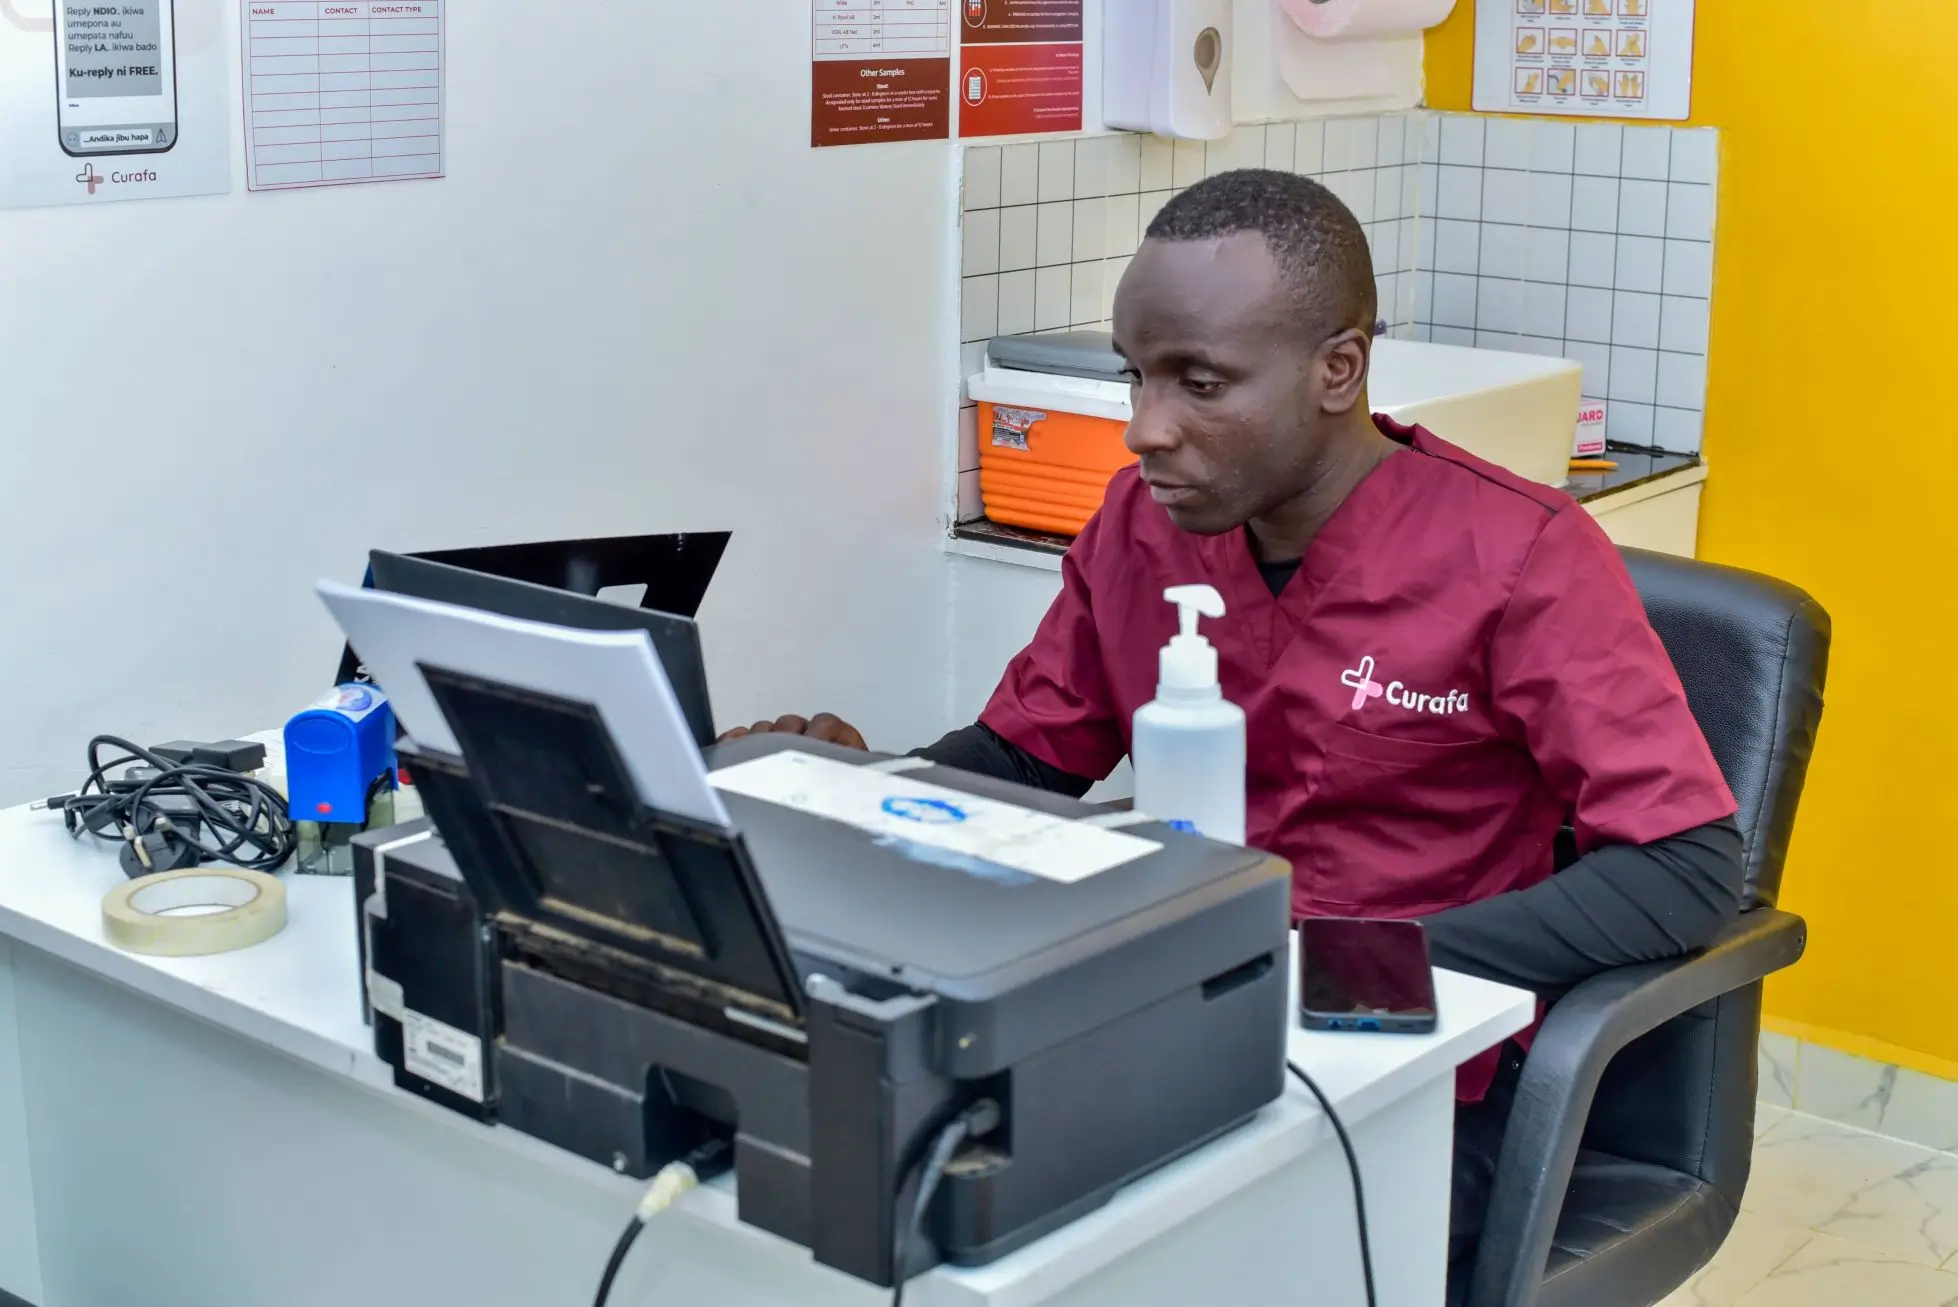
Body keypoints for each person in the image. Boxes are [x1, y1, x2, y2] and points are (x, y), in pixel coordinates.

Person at [721, 169, 1744, 1285]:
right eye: (1135, 375)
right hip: (1167, 1020)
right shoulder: (1142, 524)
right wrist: (845, 789)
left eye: (1199, 382)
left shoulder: (1519, 556)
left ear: (1337, 369)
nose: (1143, 430)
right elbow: (1027, 754)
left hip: (1402, 1074)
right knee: (894, 1204)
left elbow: (1685, 865)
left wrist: (1356, 960)